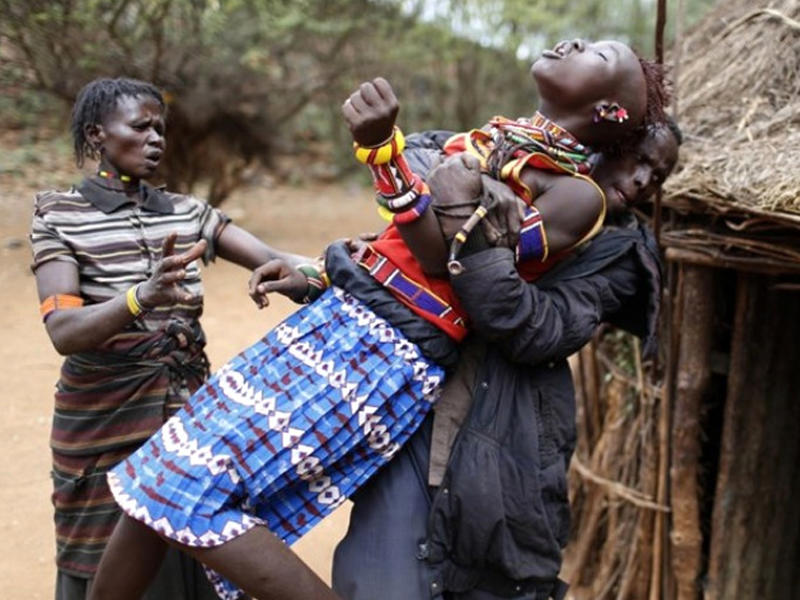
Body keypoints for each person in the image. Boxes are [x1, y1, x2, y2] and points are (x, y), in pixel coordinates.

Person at [89, 38, 665, 600]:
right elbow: (405, 235)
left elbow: (446, 258)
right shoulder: (496, 140)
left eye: (598, 51)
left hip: (384, 350)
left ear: (608, 111)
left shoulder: (577, 198)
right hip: (340, 320)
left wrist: (394, 158)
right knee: (157, 477)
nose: (572, 43)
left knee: (189, 491)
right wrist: (330, 255)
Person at [331, 119, 682, 600]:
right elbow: (421, 154)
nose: (644, 180)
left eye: (658, 176)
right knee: (378, 575)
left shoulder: (618, 254)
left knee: (486, 576)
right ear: (600, 144)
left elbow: (529, 326)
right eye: (638, 158)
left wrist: (463, 220)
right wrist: (483, 183)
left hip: (505, 440)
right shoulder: (514, 163)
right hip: (414, 412)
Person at [29, 77, 331, 600]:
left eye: (160, 129)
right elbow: (64, 330)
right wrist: (139, 298)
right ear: (98, 134)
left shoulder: (189, 213)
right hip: (103, 425)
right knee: (105, 560)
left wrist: (329, 271)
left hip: (188, 420)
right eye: (140, 127)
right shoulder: (61, 215)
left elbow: (277, 258)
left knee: (193, 543)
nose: (156, 139)